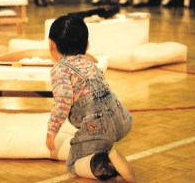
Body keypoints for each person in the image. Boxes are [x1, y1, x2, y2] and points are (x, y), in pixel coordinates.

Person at [45, 15, 136, 182]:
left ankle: (106, 164)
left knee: (73, 162)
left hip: (97, 127)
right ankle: (105, 157)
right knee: (97, 143)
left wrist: (52, 130)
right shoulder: (90, 63)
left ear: (51, 44)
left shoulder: (60, 70)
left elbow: (62, 101)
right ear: (87, 45)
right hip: (121, 120)